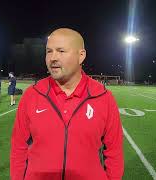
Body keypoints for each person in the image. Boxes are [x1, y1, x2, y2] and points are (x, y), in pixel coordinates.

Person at [10, 28, 124, 180]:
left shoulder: (104, 97)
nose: (53, 58)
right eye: (49, 51)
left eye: (61, 51)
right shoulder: (32, 95)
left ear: (81, 56)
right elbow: (18, 147)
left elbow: (114, 151)